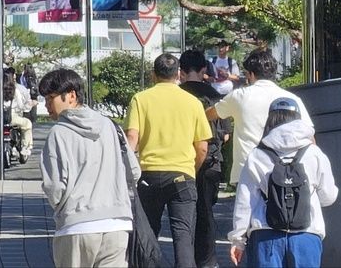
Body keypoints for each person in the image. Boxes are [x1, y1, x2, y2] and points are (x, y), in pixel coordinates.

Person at [39, 69, 141, 268]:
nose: (47, 105)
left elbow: (55, 187)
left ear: (71, 95)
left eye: (51, 98)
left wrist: (62, 207)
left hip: (76, 225)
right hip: (117, 224)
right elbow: (134, 172)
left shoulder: (58, 133)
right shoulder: (111, 127)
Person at [125, 53, 212, 267]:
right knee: (184, 238)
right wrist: (191, 170)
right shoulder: (193, 102)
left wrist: (127, 170)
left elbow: (132, 139)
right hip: (182, 176)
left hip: (149, 176)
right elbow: (202, 147)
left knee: (147, 237)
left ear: (153, 75)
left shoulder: (140, 98)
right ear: (178, 75)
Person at [228, 98, 338, 268]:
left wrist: (238, 240)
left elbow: (245, 202)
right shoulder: (315, 153)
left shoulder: (257, 155)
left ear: (270, 120)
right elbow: (328, 197)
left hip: (265, 237)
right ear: (298, 118)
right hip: (306, 236)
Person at [206, 49, 313, 184]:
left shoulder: (239, 96)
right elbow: (309, 137)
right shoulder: (292, 99)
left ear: (250, 74)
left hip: (248, 171)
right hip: (285, 173)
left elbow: (209, 115)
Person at [179, 50, 232, 268]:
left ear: (181, 72)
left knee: (182, 215)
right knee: (206, 213)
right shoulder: (216, 96)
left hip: (182, 162)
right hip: (211, 161)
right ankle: (208, 261)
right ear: (204, 71)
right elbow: (226, 134)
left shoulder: (177, 96)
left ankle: (185, 260)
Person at [0, 68, 34, 156]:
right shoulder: (17, 90)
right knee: (27, 124)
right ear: (13, 77)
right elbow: (21, 106)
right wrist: (27, 108)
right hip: (13, 117)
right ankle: (25, 147)